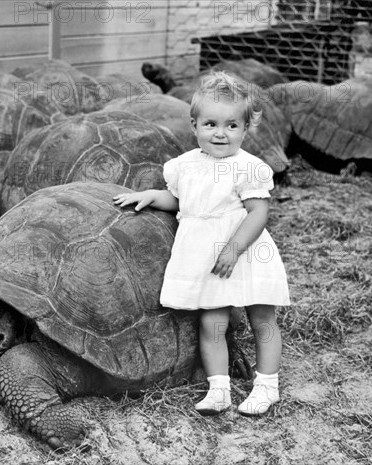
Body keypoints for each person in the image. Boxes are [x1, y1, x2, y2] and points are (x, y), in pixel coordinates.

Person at [113, 72, 290, 417]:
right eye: (210, 124)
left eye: (231, 125)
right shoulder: (185, 166)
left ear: (245, 128)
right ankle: (219, 387)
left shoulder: (249, 167)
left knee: (262, 318)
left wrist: (234, 248)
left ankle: (267, 385)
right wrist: (152, 196)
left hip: (245, 252)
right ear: (194, 126)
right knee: (212, 322)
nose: (220, 133)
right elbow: (184, 202)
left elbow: (257, 212)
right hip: (205, 258)